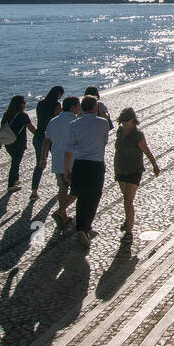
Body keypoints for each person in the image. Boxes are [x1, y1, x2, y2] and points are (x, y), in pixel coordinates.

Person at [63, 95, 111, 249]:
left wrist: (66, 169)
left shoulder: (74, 124)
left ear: (82, 108)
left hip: (79, 164)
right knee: (94, 196)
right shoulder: (103, 123)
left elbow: (69, 149)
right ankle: (86, 227)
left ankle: (80, 227)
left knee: (81, 195)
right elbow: (104, 142)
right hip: (96, 165)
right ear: (95, 108)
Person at [113, 107, 160, 245]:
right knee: (126, 199)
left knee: (128, 200)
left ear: (133, 121)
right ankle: (128, 221)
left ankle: (128, 231)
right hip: (121, 169)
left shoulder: (138, 135)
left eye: (126, 121)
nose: (123, 124)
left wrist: (154, 165)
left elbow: (146, 150)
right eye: (122, 121)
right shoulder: (120, 131)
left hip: (134, 170)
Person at [41, 95, 80, 230]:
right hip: (74, 162)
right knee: (77, 190)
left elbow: (46, 141)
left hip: (58, 161)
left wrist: (43, 157)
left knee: (62, 188)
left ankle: (63, 215)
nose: (79, 107)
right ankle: (63, 212)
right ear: (73, 107)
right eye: (78, 105)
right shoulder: (76, 121)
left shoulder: (53, 121)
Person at [29, 86, 63, 197]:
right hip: (51, 136)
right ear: (58, 94)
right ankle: (61, 186)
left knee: (39, 163)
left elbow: (40, 119)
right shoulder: (57, 105)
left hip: (39, 135)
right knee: (58, 160)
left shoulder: (40, 104)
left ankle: (34, 191)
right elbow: (57, 119)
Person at [0, 95, 34, 192]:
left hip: (8, 141)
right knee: (15, 162)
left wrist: (0, 141)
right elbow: (30, 128)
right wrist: (39, 135)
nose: (25, 103)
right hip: (18, 143)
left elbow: (2, 127)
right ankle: (11, 184)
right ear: (20, 104)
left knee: (15, 161)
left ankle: (15, 179)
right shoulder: (23, 115)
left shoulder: (6, 114)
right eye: (24, 102)